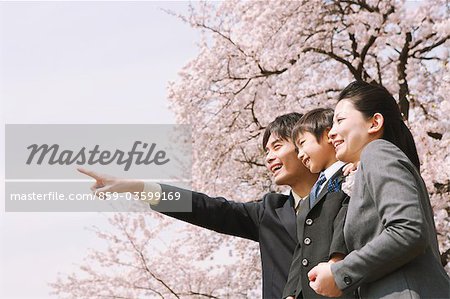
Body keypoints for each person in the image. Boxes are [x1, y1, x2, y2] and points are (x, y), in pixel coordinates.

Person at [78, 112, 319, 299]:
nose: (268, 157)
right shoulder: (270, 212)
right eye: (266, 151)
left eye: (277, 147)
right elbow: (208, 209)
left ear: (302, 145)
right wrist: (138, 187)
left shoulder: (348, 197)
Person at [309, 81, 450, 298]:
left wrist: (340, 273)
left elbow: (408, 229)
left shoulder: (377, 151)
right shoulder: (374, 162)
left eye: (340, 121)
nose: (331, 133)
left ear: (374, 123)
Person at [282, 108, 350, 299]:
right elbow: (301, 246)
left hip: (337, 285)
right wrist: (292, 292)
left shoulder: (349, 174)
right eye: (297, 150)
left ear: (329, 135)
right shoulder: (314, 190)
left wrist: (336, 261)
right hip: (309, 291)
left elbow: (346, 219)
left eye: (303, 144)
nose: (301, 154)